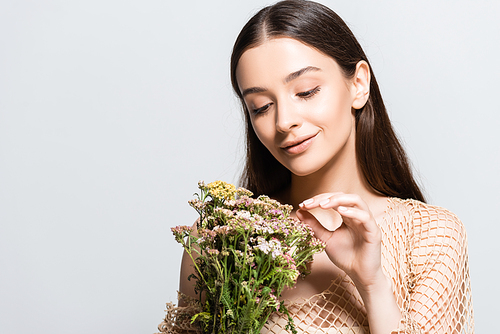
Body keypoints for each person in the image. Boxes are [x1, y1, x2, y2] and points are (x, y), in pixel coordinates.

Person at [159, 1, 474, 333]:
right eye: (261, 107)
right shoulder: (218, 241)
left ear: (359, 84)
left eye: (306, 92)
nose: (284, 121)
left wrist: (372, 283)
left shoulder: (430, 237)